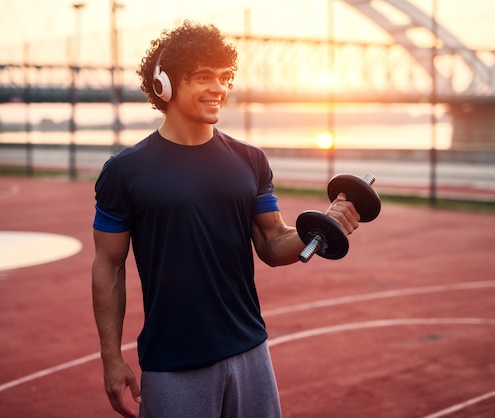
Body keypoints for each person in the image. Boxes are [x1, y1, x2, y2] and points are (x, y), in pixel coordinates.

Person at [92, 20, 360, 418]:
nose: (219, 88)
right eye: (204, 77)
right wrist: (112, 359)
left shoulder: (250, 160)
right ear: (163, 85)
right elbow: (109, 265)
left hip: (250, 349)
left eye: (224, 77)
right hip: (173, 361)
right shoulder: (125, 171)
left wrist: (324, 227)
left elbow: (273, 242)